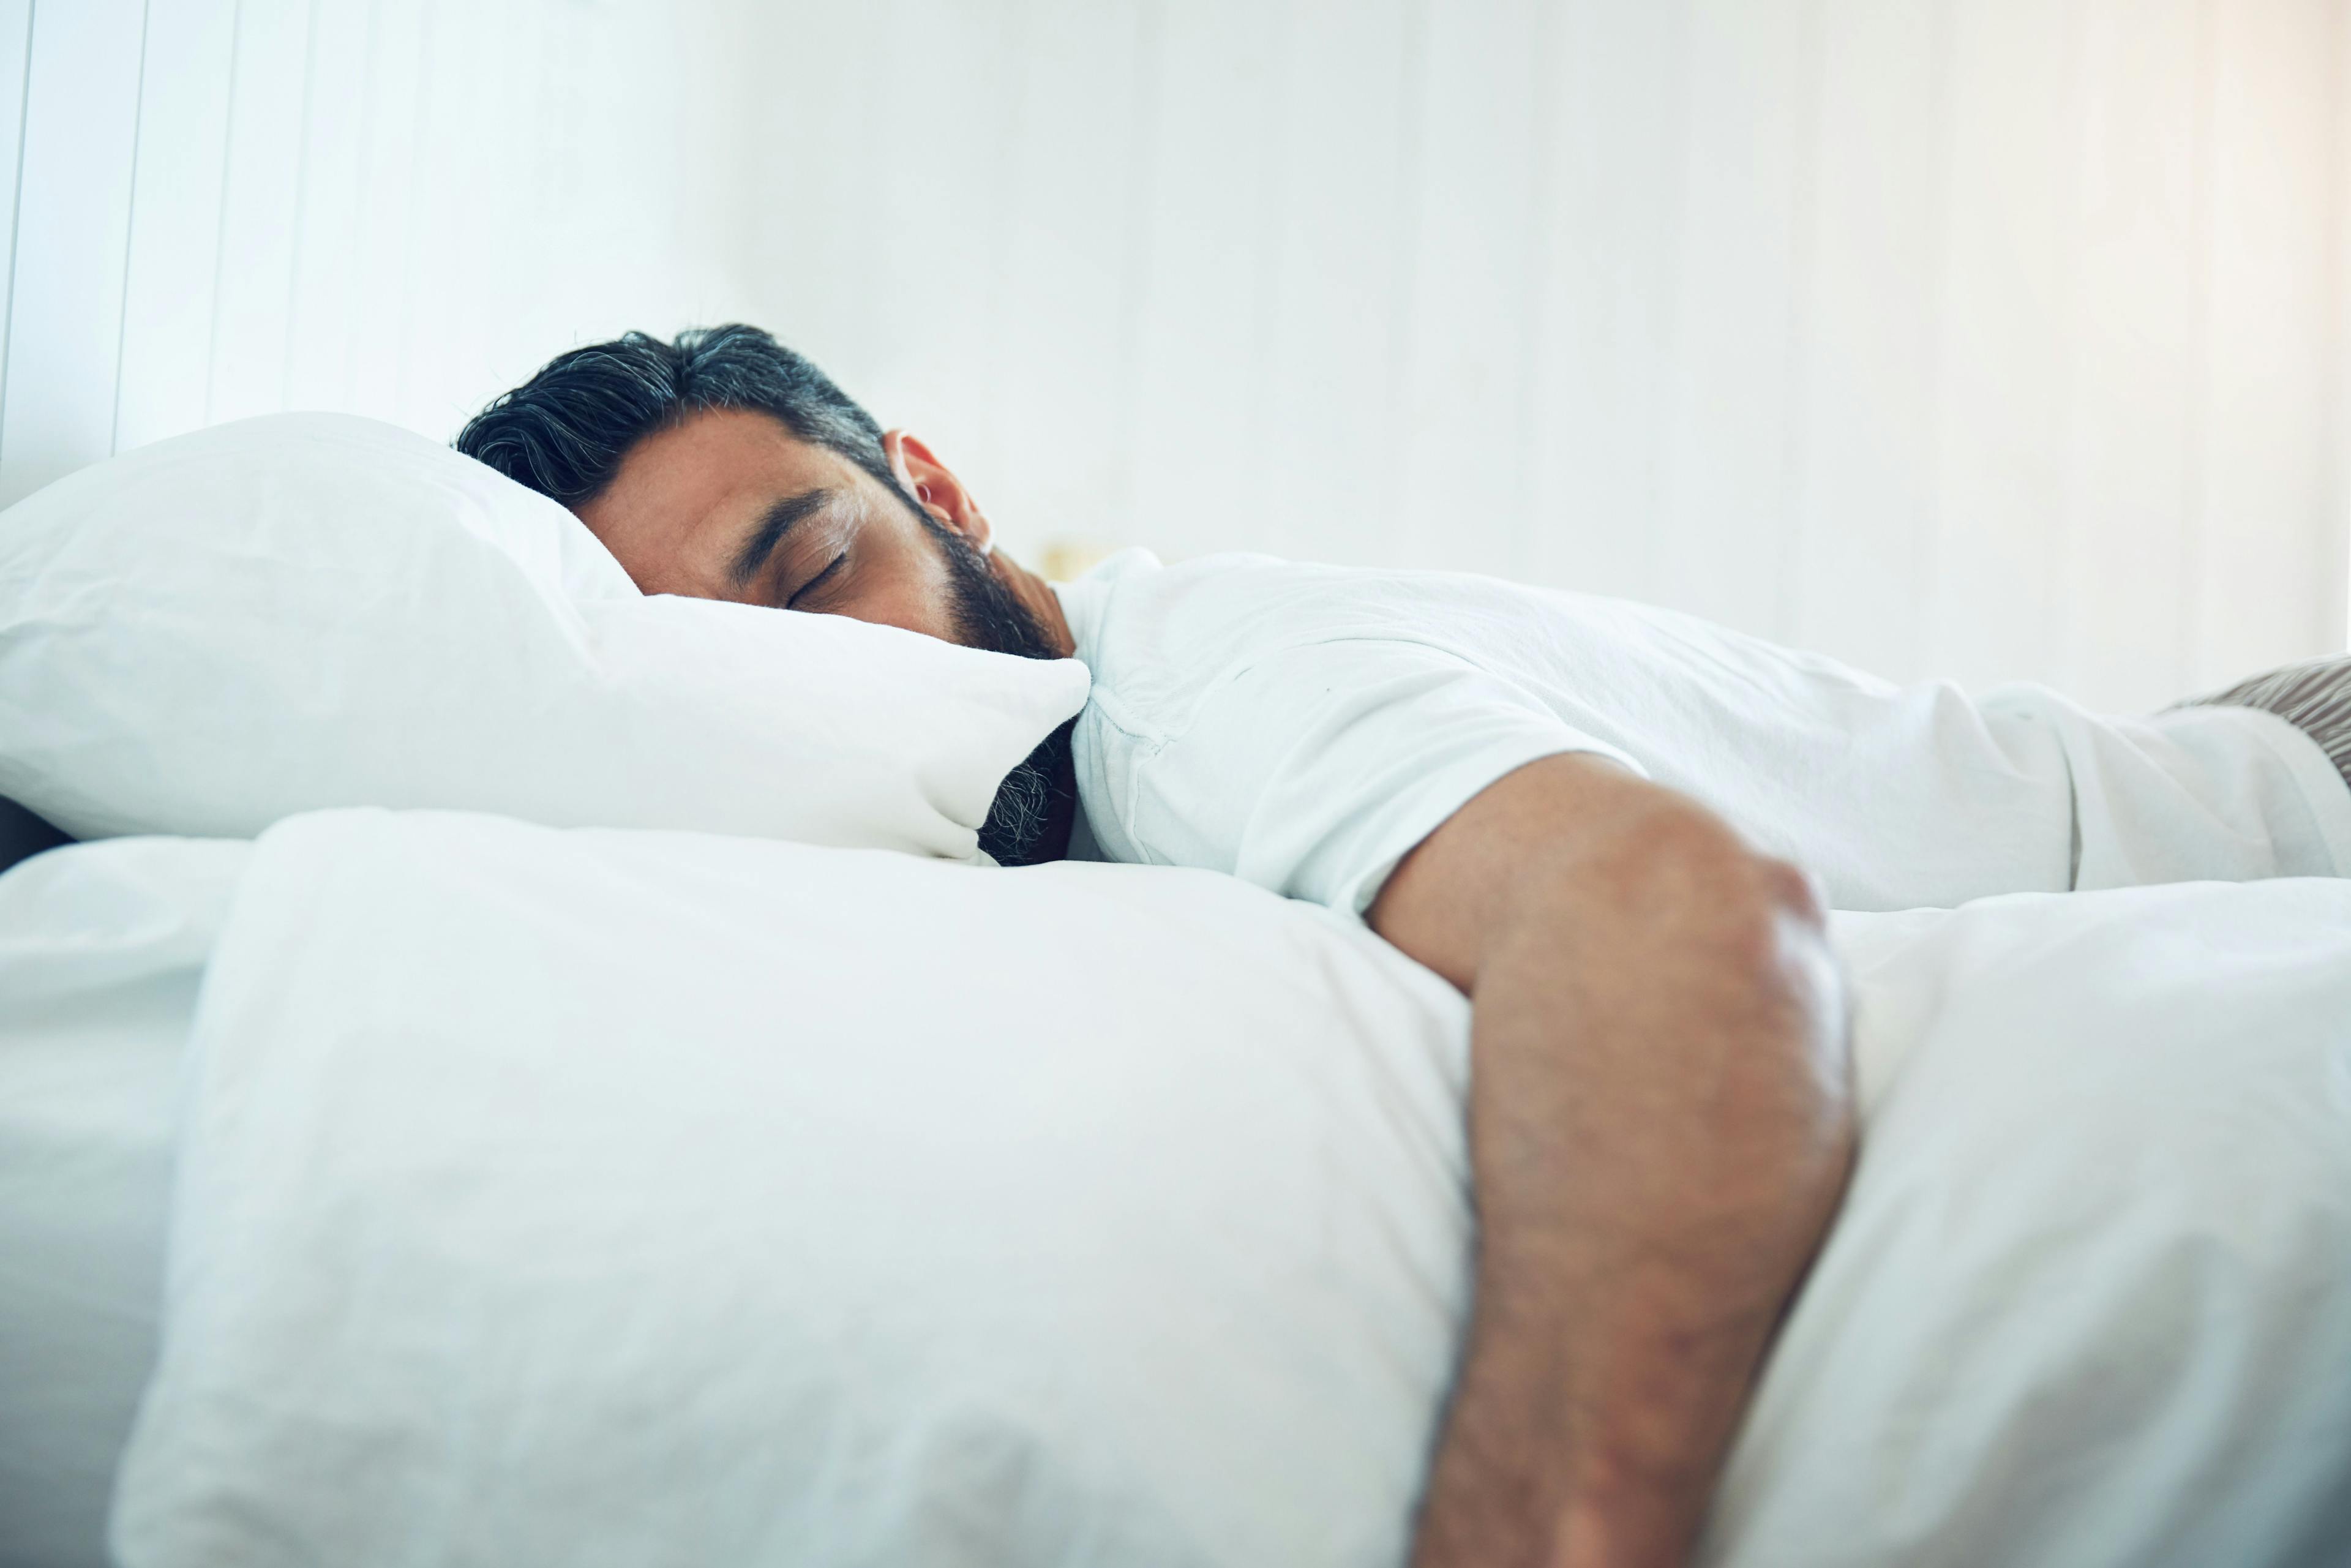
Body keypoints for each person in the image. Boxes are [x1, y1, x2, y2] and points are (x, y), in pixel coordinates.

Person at [456, 325, 2351, 1568]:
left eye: (819, 568)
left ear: (938, 491)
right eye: (746, 665)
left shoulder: (1188, 703)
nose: (838, 676)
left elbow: (1682, 928)